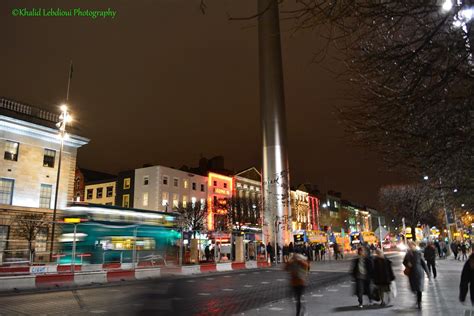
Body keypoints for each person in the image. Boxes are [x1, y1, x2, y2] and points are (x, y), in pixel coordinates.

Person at [403, 241, 429, 309]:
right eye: (409, 245)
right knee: (413, 288)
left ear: (414, 245)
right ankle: (417, 298)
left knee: (419, 288)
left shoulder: (419, 253)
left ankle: (419, 302)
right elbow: (404, 261)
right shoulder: (408, 254)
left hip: (419, 272)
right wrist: (407, 264)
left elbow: (423, 263)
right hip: (411, 274)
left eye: (412, 245)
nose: (410, 246)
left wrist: (427, 273)